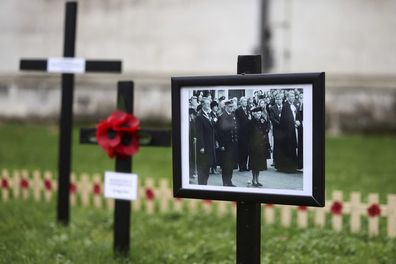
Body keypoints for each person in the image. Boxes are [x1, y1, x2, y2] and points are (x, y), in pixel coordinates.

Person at [276, 91, 301, 173]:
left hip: (293, 130)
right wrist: (294, 122)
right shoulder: (286, 106)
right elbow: (284, 120)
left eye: (293, 96)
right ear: (287, 97)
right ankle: (287, 167)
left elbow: (296, 117)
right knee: (288, 149)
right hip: (287, 132)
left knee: (293, 148)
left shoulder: (294, 106)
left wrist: (297, 122)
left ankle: (293, 166)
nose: (292, 98)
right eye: (291, 96)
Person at [217, 100, 238, 186]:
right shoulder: (222, 117)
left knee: (231, 163)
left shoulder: (232, 116)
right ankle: (225, 182)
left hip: (233, 144)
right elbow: (219, 133)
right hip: (225, 145)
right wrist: (221, 145)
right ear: (225, 107)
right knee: (226, 164)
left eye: (232, 107)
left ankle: (229, 181)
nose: (231, 108)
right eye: (230, 107)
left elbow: (235, 130)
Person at [195, 98, 216, 185]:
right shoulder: (199, 116)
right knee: (202, 167)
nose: (208, 105)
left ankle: (205, 184)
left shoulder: (209, 115)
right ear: (203, 104)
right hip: (204, 146)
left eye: (209, 104)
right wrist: (201, 146)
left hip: (210, 144)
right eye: (207, 104)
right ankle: (201, 185)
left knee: (207, 167)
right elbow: (199, 133)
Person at [248, 107, 271, 186]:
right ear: (254, 114)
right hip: (254, 146)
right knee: (254, 165)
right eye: (257, 113)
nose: (259, 115)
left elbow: (266, 129)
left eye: (260, 113)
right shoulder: (251, 122)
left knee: (259, 165)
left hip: (261, 145)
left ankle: (257, 179)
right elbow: (249, 135)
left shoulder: (262, 121)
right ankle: (254, 179)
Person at [234, 97, 250, 172]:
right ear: (240, 102)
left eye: (246, 101)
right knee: (241, 150)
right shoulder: (238, 110)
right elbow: (237, 122)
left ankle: (245, 165)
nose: (245, 102)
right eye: (244, 101)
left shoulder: (248, 109)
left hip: (247, 133)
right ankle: (241, 165)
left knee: (246, 150)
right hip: (241, 133)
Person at [269, 93, 283, 167]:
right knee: (276, 144)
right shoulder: (272, 108)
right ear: (275, 100)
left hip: (284, 129)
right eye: (277, 99)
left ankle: (281, 159)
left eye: (280, 99)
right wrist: (279, 124)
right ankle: (275, 160)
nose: (279, 100)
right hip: (277, 128)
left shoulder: (284, 107)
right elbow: (272, 118)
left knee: (282, 144)